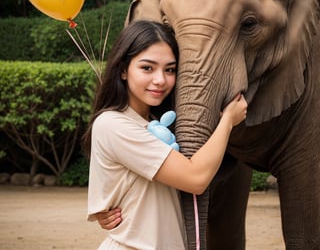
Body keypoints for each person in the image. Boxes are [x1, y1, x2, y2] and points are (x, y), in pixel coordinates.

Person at [83, 20, 247, 249]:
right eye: (147, 68)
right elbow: (195, 179)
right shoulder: (113, 125)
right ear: (123, 70)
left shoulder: (156, 125)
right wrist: (228, 120)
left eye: (170, 70)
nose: (160, 80)